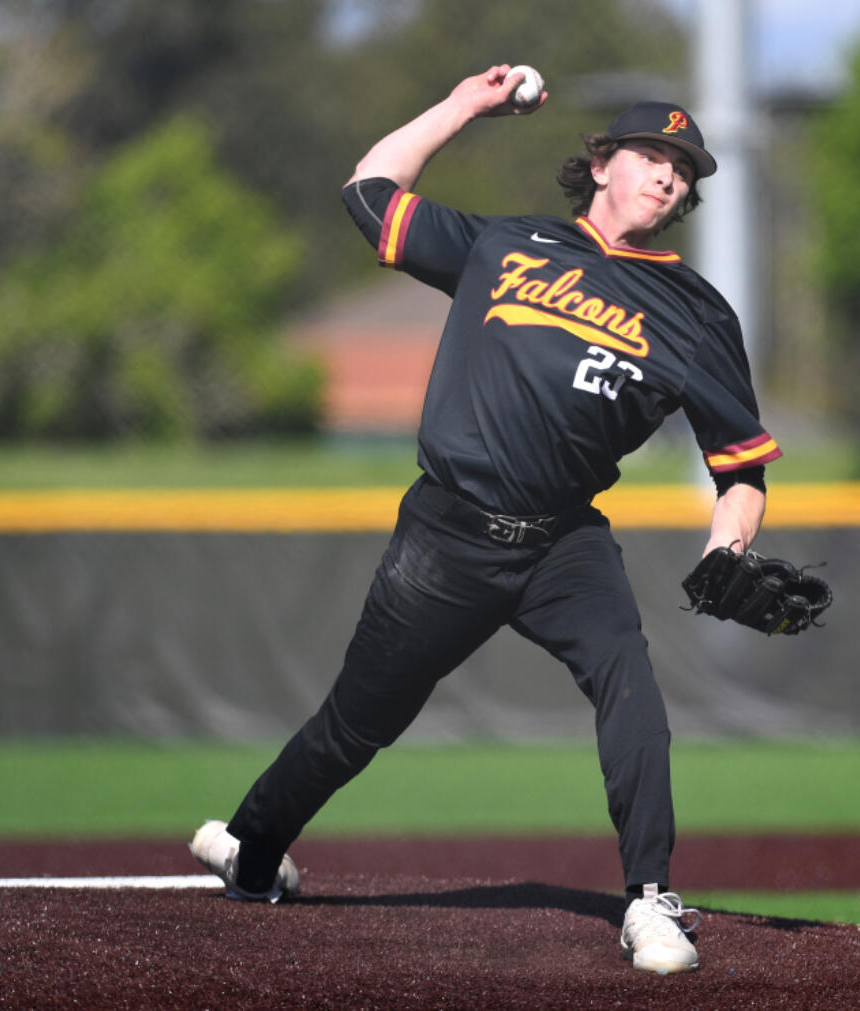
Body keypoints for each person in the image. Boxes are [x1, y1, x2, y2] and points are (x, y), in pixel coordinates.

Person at [190, 64, 780, 976]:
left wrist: (727, 545)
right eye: (651, 154)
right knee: (358, 723)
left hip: (564, 543)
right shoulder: (507, 245)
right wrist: (464, 107)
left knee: (630, 686)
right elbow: (368, 192)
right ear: (601, 164)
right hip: (447, 535)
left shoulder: (697, 314)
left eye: (685, 168)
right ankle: (253, 847)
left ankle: (650, 897)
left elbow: (740, 469)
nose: (669, 174)